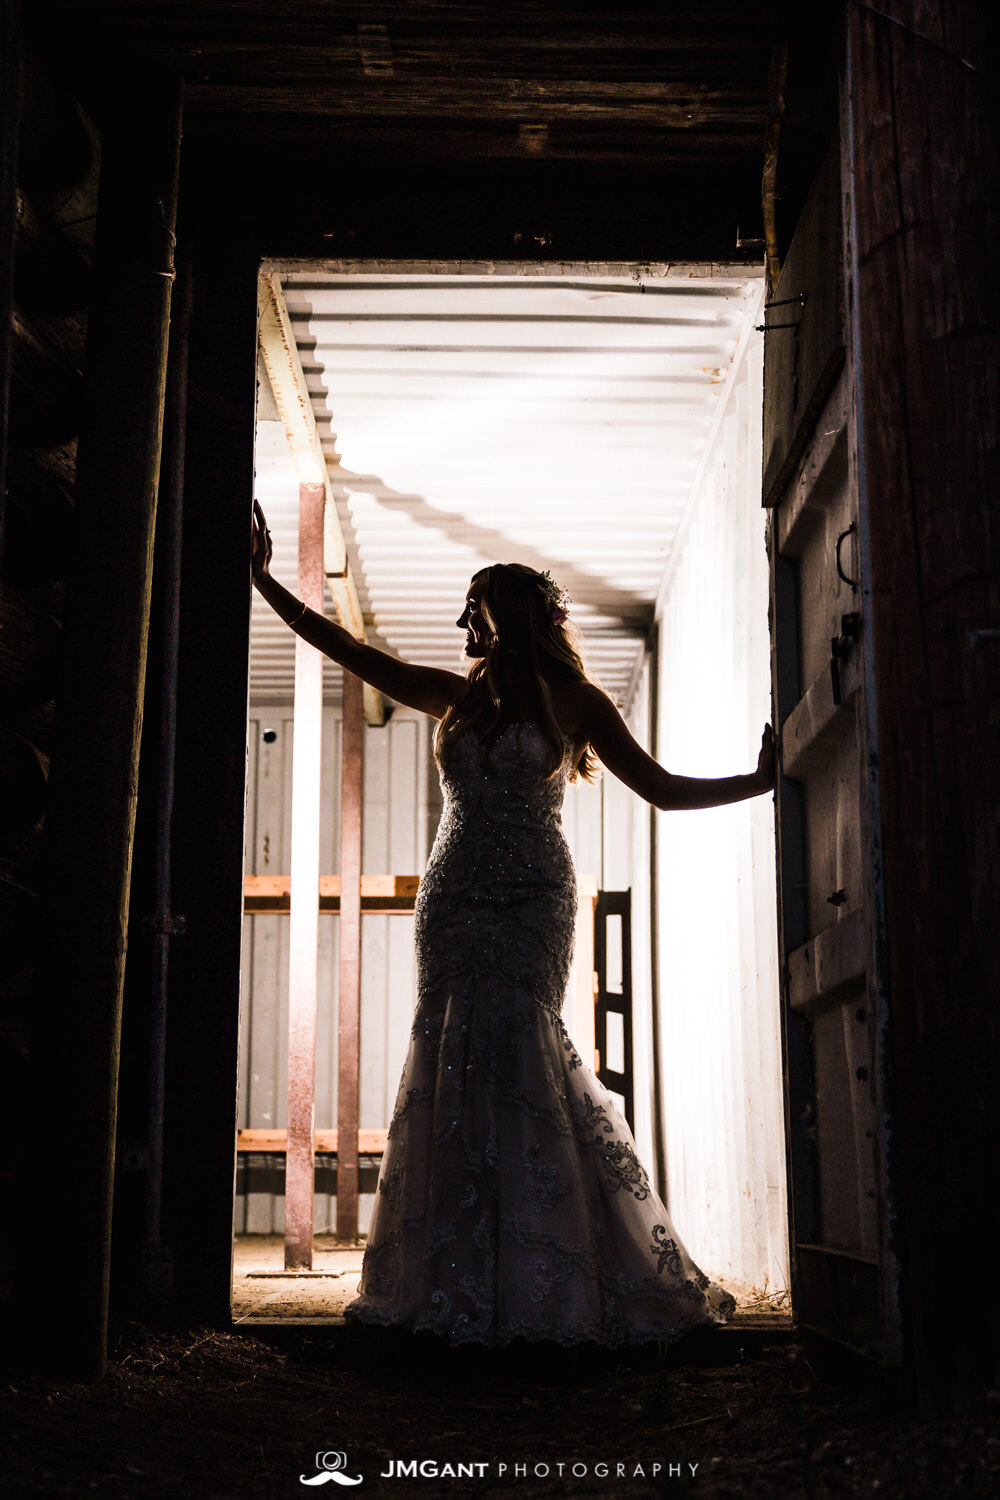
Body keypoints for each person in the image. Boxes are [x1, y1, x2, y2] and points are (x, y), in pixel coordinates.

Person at [251, 502, 776, 1347]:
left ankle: (556, 1271)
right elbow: (351, 653)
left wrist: (758, 782)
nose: (470, 623)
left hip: (533, 893)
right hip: (455, 894)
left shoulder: (578, 702)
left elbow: (665, 789)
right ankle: (455, 1275)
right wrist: (264, 580)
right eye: (470, 611)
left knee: (524, 1045)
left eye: (482, 608)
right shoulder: (452, 698)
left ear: (517, 616)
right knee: (451, 1051)